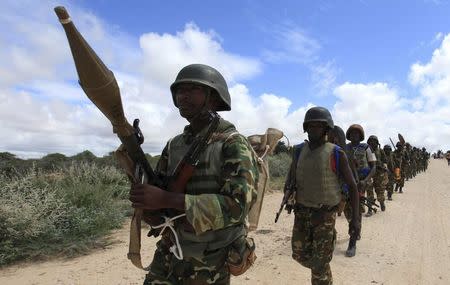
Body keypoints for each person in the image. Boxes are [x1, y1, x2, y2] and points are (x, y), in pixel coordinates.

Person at [129, 64, 259, 285]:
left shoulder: (233, 143)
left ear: (213, 97)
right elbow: (159, 198)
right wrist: (149, 204)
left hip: (211, 257)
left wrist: (166, 199)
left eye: (192, 89)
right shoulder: (174, 144)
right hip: (171, 247)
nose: (183, 96)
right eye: (179, 90)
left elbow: (237, 206)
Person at [287, 107, 360, 285]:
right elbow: (290, 179)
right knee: (299, 255)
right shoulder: (298, 151)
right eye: (310, 126)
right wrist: (288, 196)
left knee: (319, 265)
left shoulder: (336, 153)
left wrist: (356, 220)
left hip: (324, 216)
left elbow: (352, 186)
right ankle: (325, 254)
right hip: (302, 213)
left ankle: (324, 256)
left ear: (326, 128)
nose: (313, 129)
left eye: (318, 126)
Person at [344, 124, 376, 256]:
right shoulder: (345, 147)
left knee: (356, 211)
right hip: (346, 183)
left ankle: (352, 242)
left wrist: (365, 180)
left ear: (360, 136)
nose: (354, 135)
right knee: (347, 211)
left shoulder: (366, 148)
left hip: (361, 183)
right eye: (352, 133)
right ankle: (355, 228)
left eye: (357, 133)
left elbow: (373, 166)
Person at [366, 135, 387, 212]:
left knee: (379, 190)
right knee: (369, 191)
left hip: (379, 174)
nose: (372, 142)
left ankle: (381, 202)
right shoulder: (366, 150)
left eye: (374, 141)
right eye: (370, 141)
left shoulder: (380, 150)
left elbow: (385, 160)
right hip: (369, 174)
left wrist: (384, 167)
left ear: (377, 142)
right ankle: (369, 209)